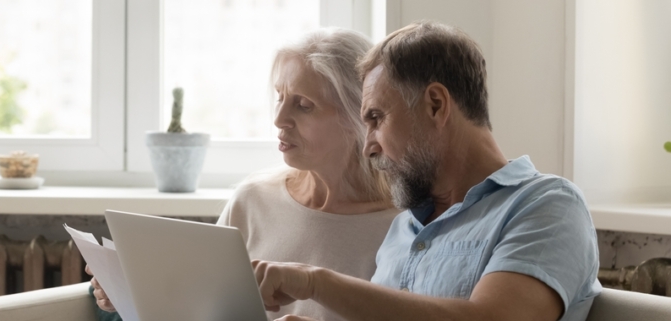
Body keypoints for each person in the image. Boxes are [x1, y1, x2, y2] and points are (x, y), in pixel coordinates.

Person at [252, 21, 601, 321]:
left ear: (435, 105)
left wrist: (316, 283)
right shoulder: (406, 227)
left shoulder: (547, 205)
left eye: (376, 119)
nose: (368, 146)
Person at [87, 28, 401, 321]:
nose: (279, 119)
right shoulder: (253, 200)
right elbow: (198, 306)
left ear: (357, 116)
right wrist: (128, 292)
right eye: (279, 97)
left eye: (303, 105)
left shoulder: (402, 223)